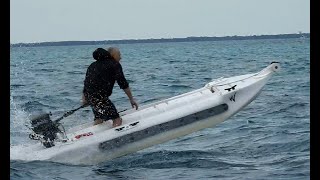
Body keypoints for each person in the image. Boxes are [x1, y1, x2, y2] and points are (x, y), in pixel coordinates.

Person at [82, 47, 138, 127]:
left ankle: (96, 134)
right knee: (117, 119)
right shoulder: (114, 64)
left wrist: (84, 98)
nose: (120, 57)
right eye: (119, 55)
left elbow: (87, 83)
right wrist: (131, 99)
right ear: (113, 55)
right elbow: (123, 84)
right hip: (100, 98)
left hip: (91, 97)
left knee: (99, 118)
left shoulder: (92, 65)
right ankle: (117, 136)